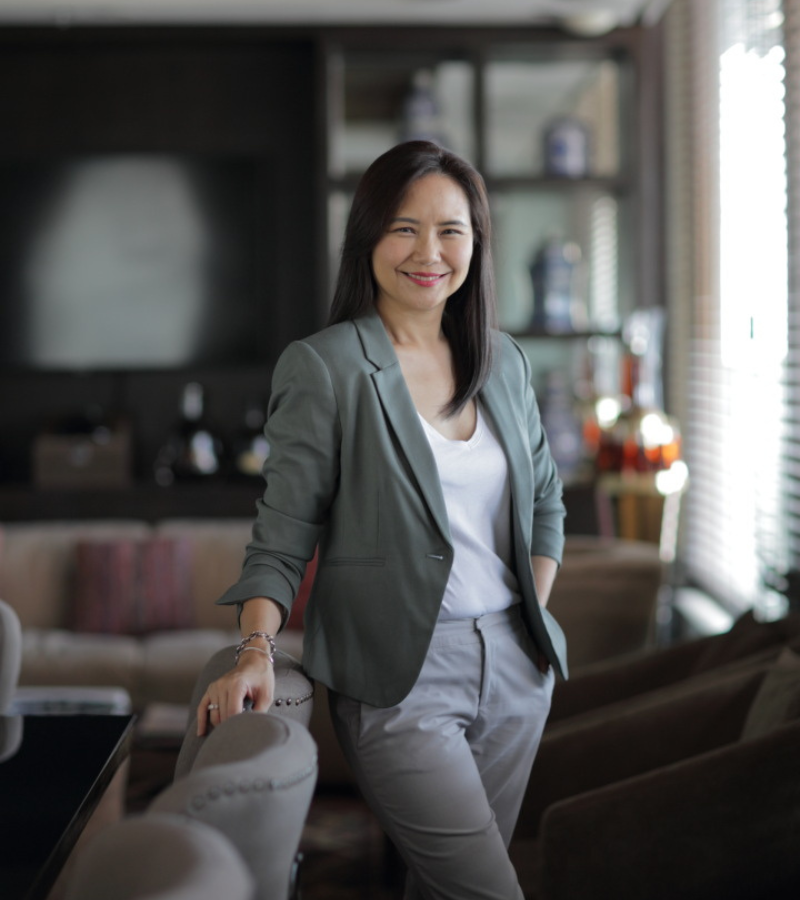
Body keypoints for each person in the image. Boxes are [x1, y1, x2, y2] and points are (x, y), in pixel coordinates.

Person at [198, 140, 568, 900]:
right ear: (366, 236)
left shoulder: (504, 362)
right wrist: (256, 650)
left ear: (475, 243)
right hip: (400, 679)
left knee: (444, 886)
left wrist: (525, 615)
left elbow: (546, 505)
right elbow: (283, 529)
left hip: (516, 670)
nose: (427, 252)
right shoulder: (326, 366)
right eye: (403, 227)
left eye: (449, 230)